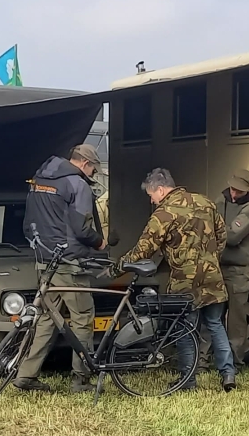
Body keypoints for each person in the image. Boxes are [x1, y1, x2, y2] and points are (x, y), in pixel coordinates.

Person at [122, 167, 235, 391]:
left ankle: (188, 380)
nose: (152, 201)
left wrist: (118, 267)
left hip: (185, 283)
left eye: (151, 195)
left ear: (160, 190)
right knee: (215, 325)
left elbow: (143, 250)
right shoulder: (205, 202)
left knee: (185, 329)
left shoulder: (163, 214)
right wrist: (211, 260)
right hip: (212, 277)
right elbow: (222, 236)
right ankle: (228, 374)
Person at [15, 143, 104, 392]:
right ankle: (81, 379)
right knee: (82, 317)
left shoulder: (39, 181)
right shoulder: (77, 184)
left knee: (47, 317)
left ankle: (26, 375)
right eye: (93, 169)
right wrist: (100, 242)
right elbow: (82, 229)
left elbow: (27, 223)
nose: (93, 174)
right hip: (69, 262)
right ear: (85, 163)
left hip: (44, 260)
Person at [218, 167, 249, 358]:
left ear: (248, 190)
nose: (234, 194)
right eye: (233, 189)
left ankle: (234, 361)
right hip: (218, 266)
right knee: (211, 316)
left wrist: (216, 231)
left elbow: (232, 236)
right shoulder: (221, 199)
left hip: (238, 270)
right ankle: (203, 359)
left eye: (239, 191)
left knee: (236, 320)